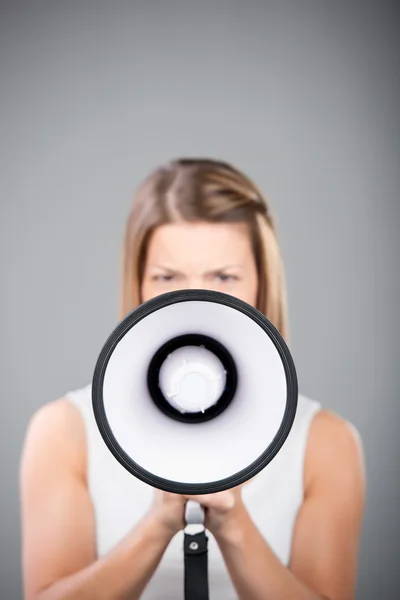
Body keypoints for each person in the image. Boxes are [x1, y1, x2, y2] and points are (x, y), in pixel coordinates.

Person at [20, 158, 365, 600]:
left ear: (262, 283)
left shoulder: (326, 443)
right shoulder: (65, 432)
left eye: (224, 277)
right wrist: (161, 520)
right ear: (139, 283)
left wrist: (231, 520)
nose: (195, 299)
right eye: (167, 277)